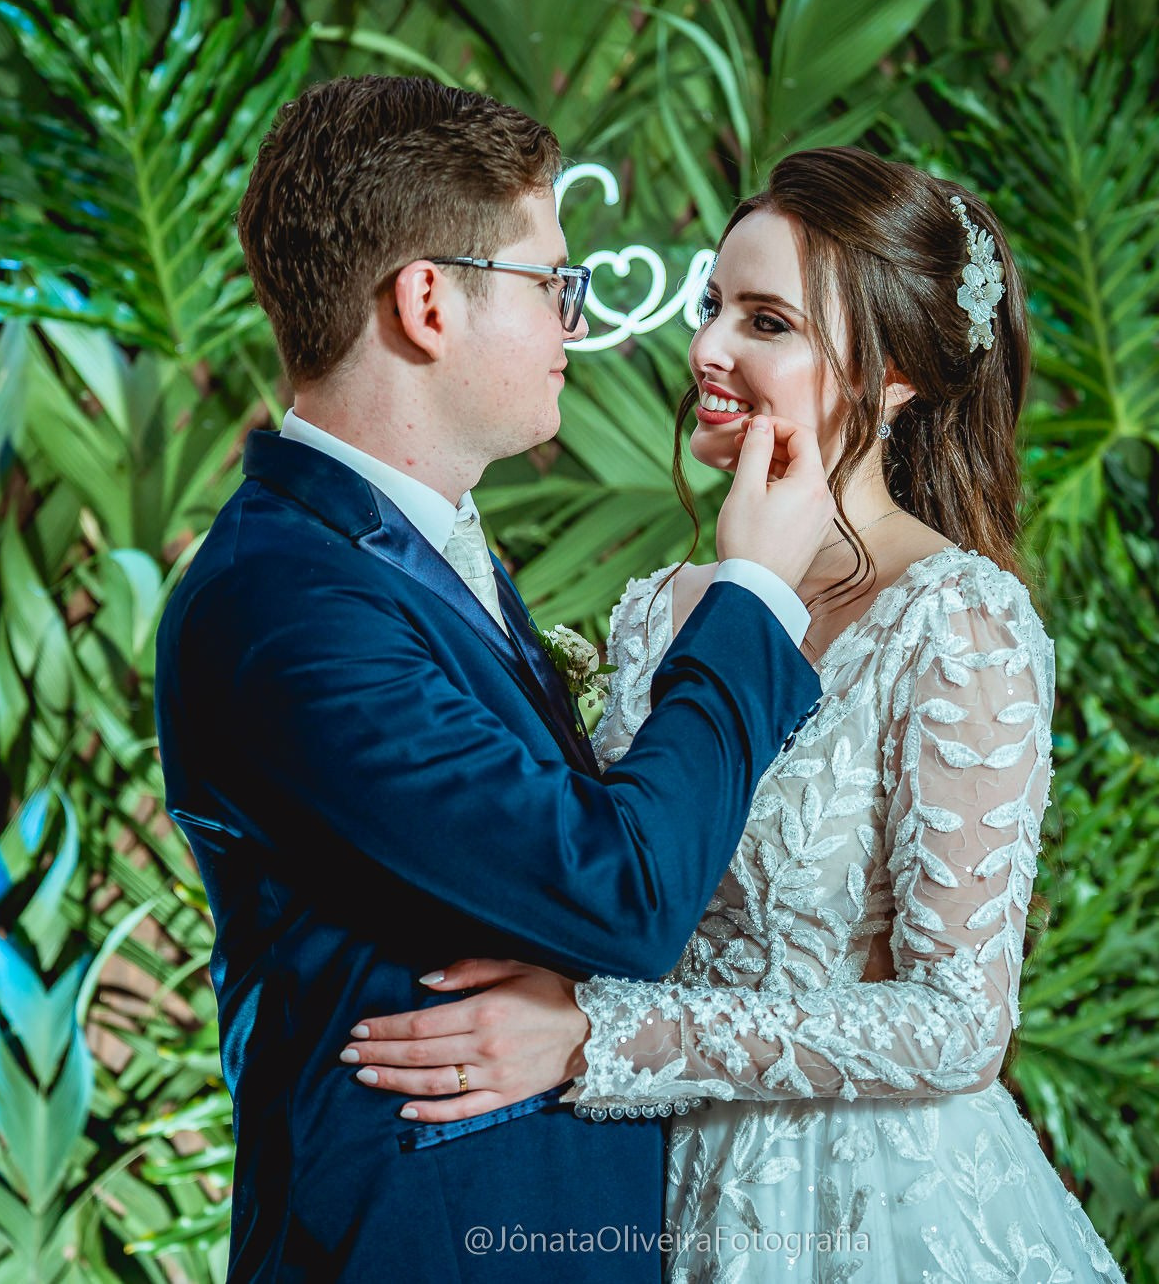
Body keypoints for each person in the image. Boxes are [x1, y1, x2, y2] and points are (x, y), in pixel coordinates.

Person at [345, 146, 1128, 1281]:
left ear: (895, 373)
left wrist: (597, 1037)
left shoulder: (956, 619)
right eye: (713, 305)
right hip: (649, 1193)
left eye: (766, 321)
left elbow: (960, 1022)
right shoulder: (661, 613)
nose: (705, 347)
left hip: (872, 1210)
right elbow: (625, 887)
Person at [152, 76, 837, 1283]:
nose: (574, 320)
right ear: (427, 302)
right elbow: (618, 891)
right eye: (551, 283)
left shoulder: (398, 546)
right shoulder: (285, 609)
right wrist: (754, 596)